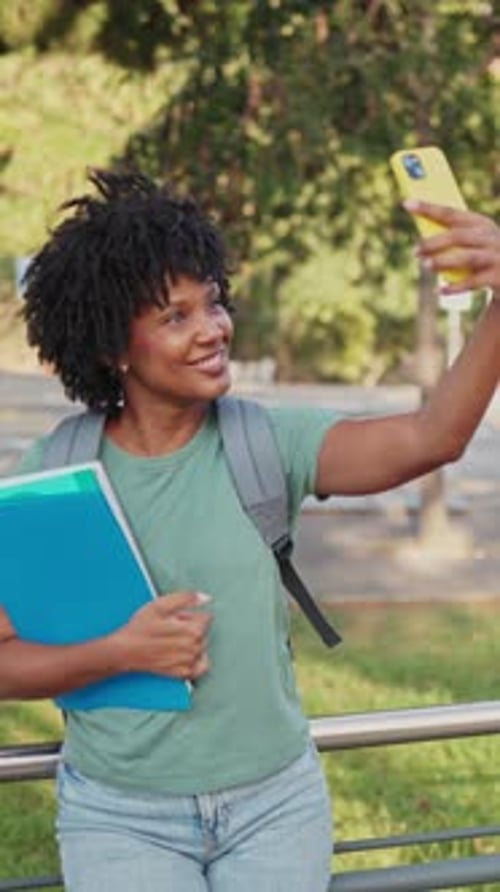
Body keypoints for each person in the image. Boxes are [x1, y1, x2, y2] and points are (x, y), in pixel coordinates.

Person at [0, 169, 499, 892]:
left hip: (275, 807)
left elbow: (432, 437)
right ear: (114, 346)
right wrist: (120, 650)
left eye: (214, 303)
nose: (212, 329)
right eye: (175, 316)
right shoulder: (58, 471)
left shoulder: (266, 442)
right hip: (121, 818)